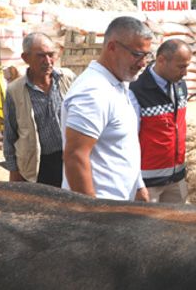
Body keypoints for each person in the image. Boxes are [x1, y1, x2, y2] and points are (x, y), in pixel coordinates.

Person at [62, 16, 153, 201]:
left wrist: (138, 186)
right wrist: (92, 213)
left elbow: (121, 145)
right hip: (102, 212)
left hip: (117, 209)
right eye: (137, 55)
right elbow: (75, 156)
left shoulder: (118, 84)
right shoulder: (93, 92)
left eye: (146, 56)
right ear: (112, 47)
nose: (143, 63)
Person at [0, 33, 75, 187]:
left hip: (69, 159)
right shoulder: (15, 91)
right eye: (41, 56)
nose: (47, 61)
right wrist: (14, 171)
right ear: (26, 58)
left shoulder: (67, 78)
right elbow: (10, 135)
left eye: (50, 55)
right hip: (37, 165)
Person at [129, 39, 192, 203]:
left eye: (187, 66)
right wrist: (137, 184)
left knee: (177, 226)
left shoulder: (180, 86)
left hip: (176, 180)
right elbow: (128, 141)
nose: (185, 73)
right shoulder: (136, 91)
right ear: (162, 60)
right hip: (148, 184)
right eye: (181, 66)